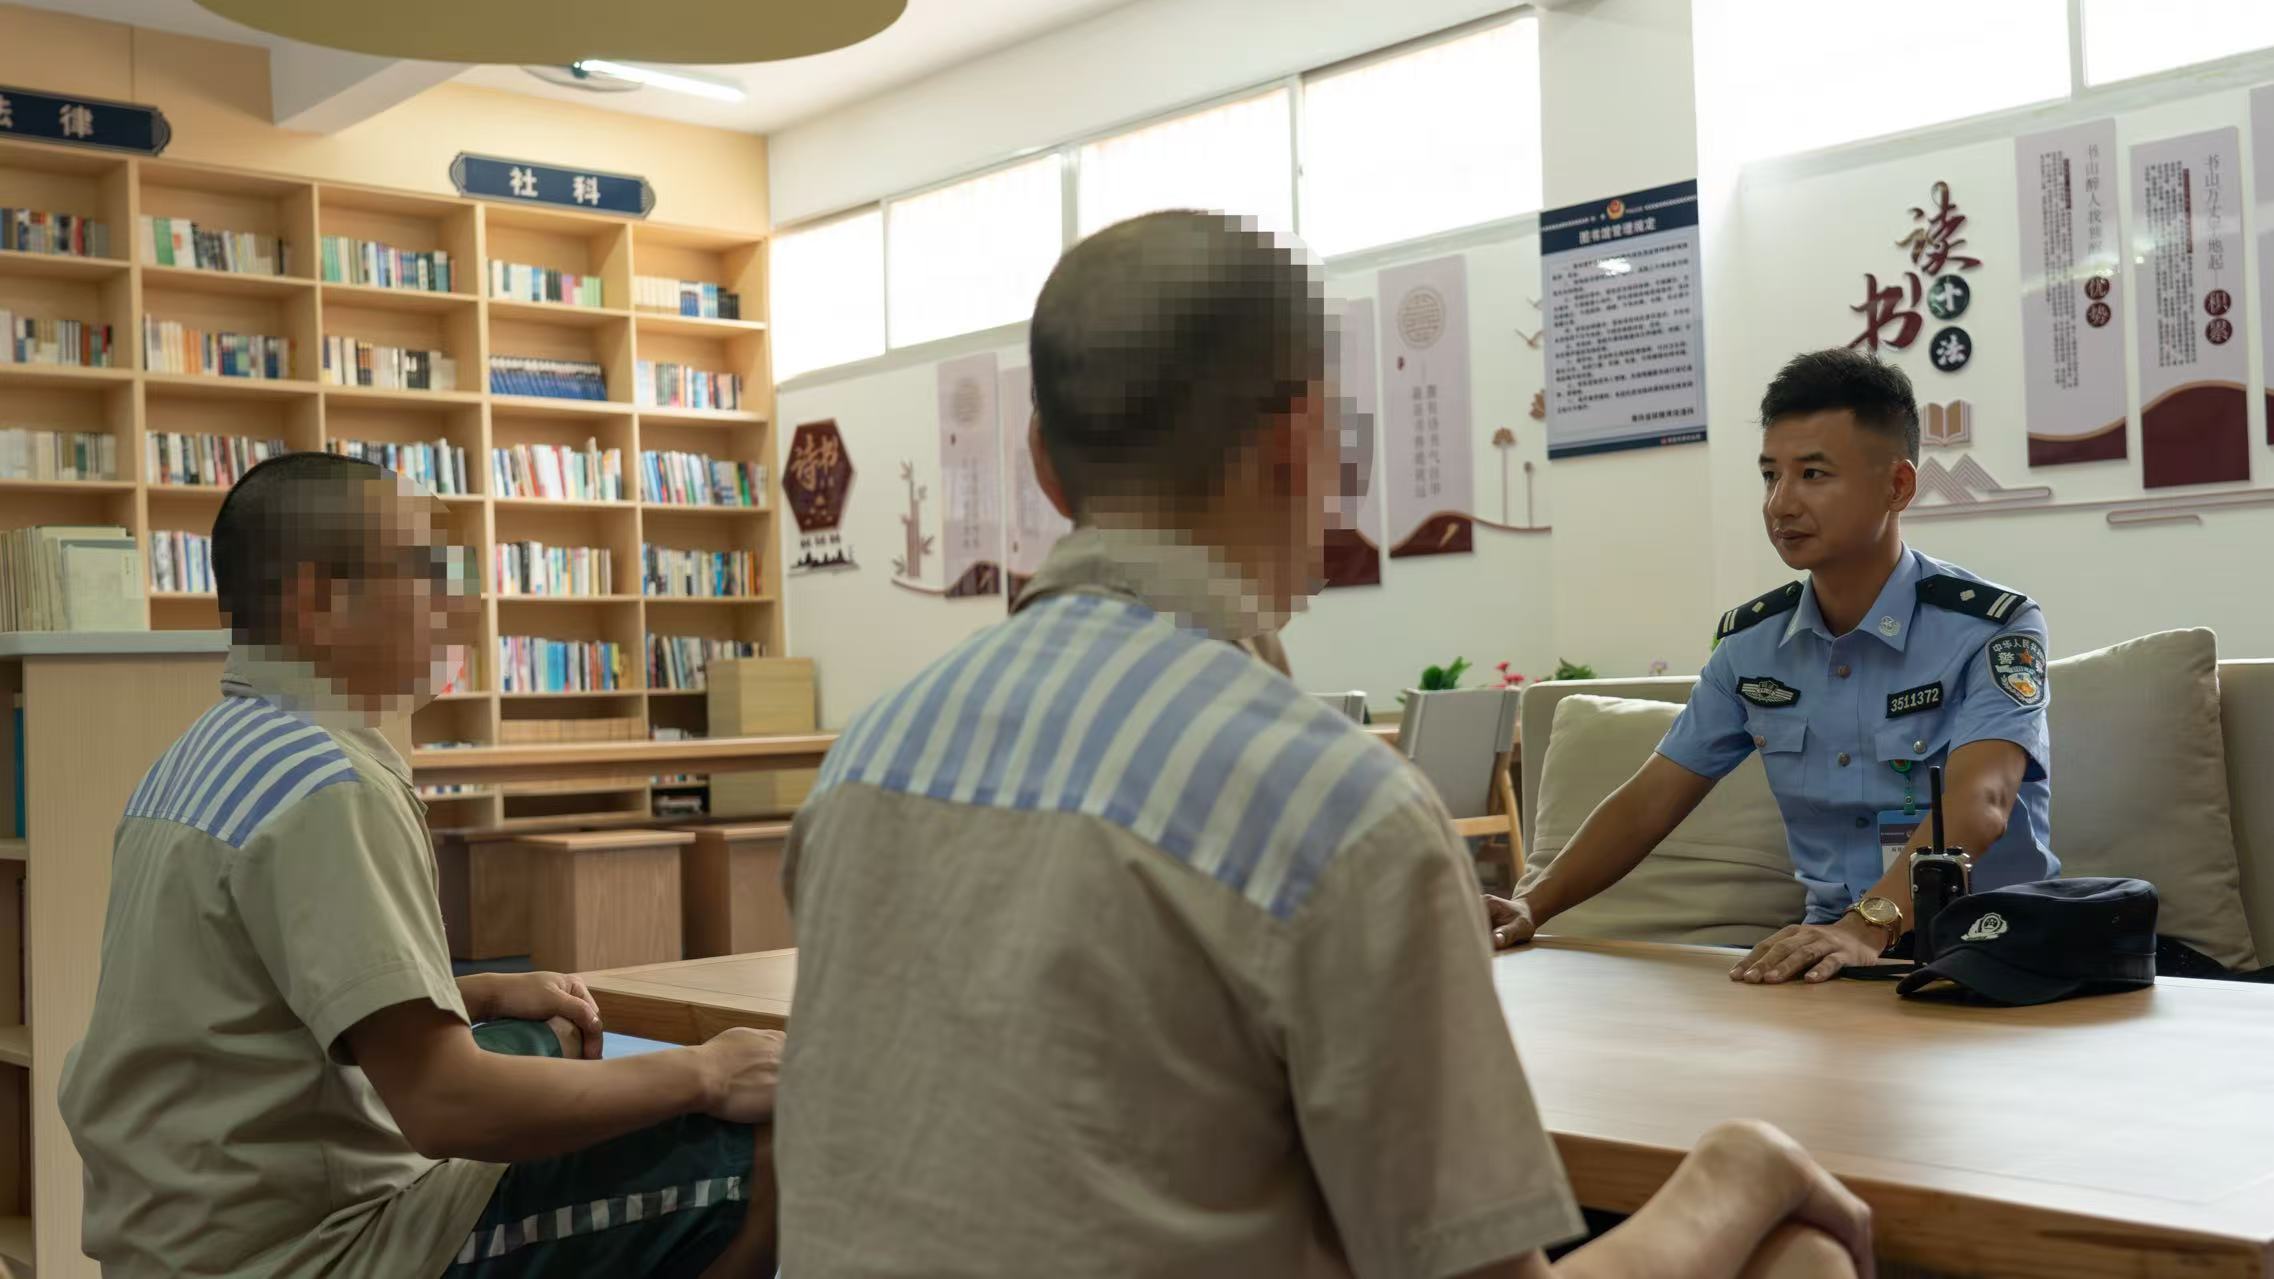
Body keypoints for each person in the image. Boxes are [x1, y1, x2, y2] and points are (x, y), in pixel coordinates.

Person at [775, 211, 1872, 1278]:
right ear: (1303, 445)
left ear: (1042, 465)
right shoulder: (1337, 806)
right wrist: (1739, 1164)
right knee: (1801, 1252)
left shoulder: (868, 758)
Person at [60, 452, 784, 1279]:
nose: (454, 604)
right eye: (423, 572)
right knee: (768, 1142)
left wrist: (475, 993)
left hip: (169, 1235)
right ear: (319, 601)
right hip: (301, 1250)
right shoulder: (327, 783)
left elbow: (258, 1008)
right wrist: (706, 1069)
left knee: (552, 1036)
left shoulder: (197, 757)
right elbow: (444, 1106)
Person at [1488, 348, 2056, 986]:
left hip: (1987, 953)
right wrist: (1531, 904)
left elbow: (1981, 803)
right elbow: (1649, 802)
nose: (1781, 504)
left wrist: (1865, 926)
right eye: (1769, 476)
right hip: (1825, 961)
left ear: (1897, 486)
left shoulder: (1993, 628)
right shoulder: (1752, 646)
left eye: (1813, 474)